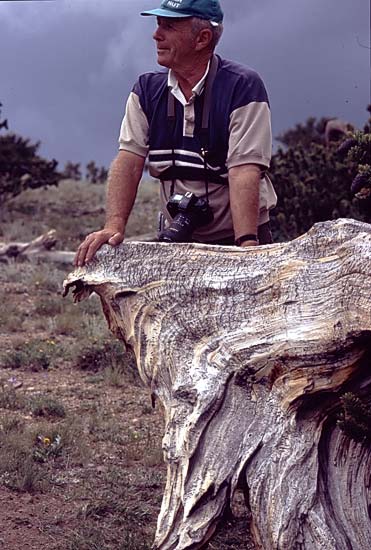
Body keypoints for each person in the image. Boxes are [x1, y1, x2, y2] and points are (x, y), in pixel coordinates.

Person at [74, 0, 277, 267]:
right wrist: (114, 226)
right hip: (178, 240)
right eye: (158, 25)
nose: (156, 34)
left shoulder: (242, 87)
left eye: (168, 26)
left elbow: (244, 171)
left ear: (202, 38)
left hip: (237, 236)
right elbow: (129, 160)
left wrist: (247, 247)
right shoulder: (146, 90)